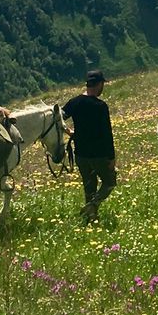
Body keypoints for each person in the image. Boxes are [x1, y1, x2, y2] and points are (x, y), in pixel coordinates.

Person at [63, 70, 117, 224]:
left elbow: (59, 117)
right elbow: (107, 133)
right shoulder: (100, 106)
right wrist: (112, 157)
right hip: (99, 154)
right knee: (110, 182)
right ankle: (91, 206)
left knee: (89, 185)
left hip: (81, 153)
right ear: (99, 84)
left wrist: (68, 131)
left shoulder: (75, 102)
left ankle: (91, 217)